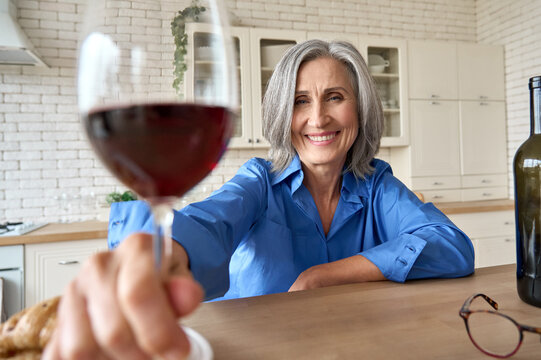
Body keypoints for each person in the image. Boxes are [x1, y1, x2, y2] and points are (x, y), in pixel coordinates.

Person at [44, 39, 474, 359]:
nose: (318, 118)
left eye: (335, 98)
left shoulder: (378, 184)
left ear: (359, 112)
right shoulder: (259, 181)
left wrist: (324, 275)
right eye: (300, 101)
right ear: (281, 115)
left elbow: (452, 245)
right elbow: (210, 222)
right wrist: (157, 252)